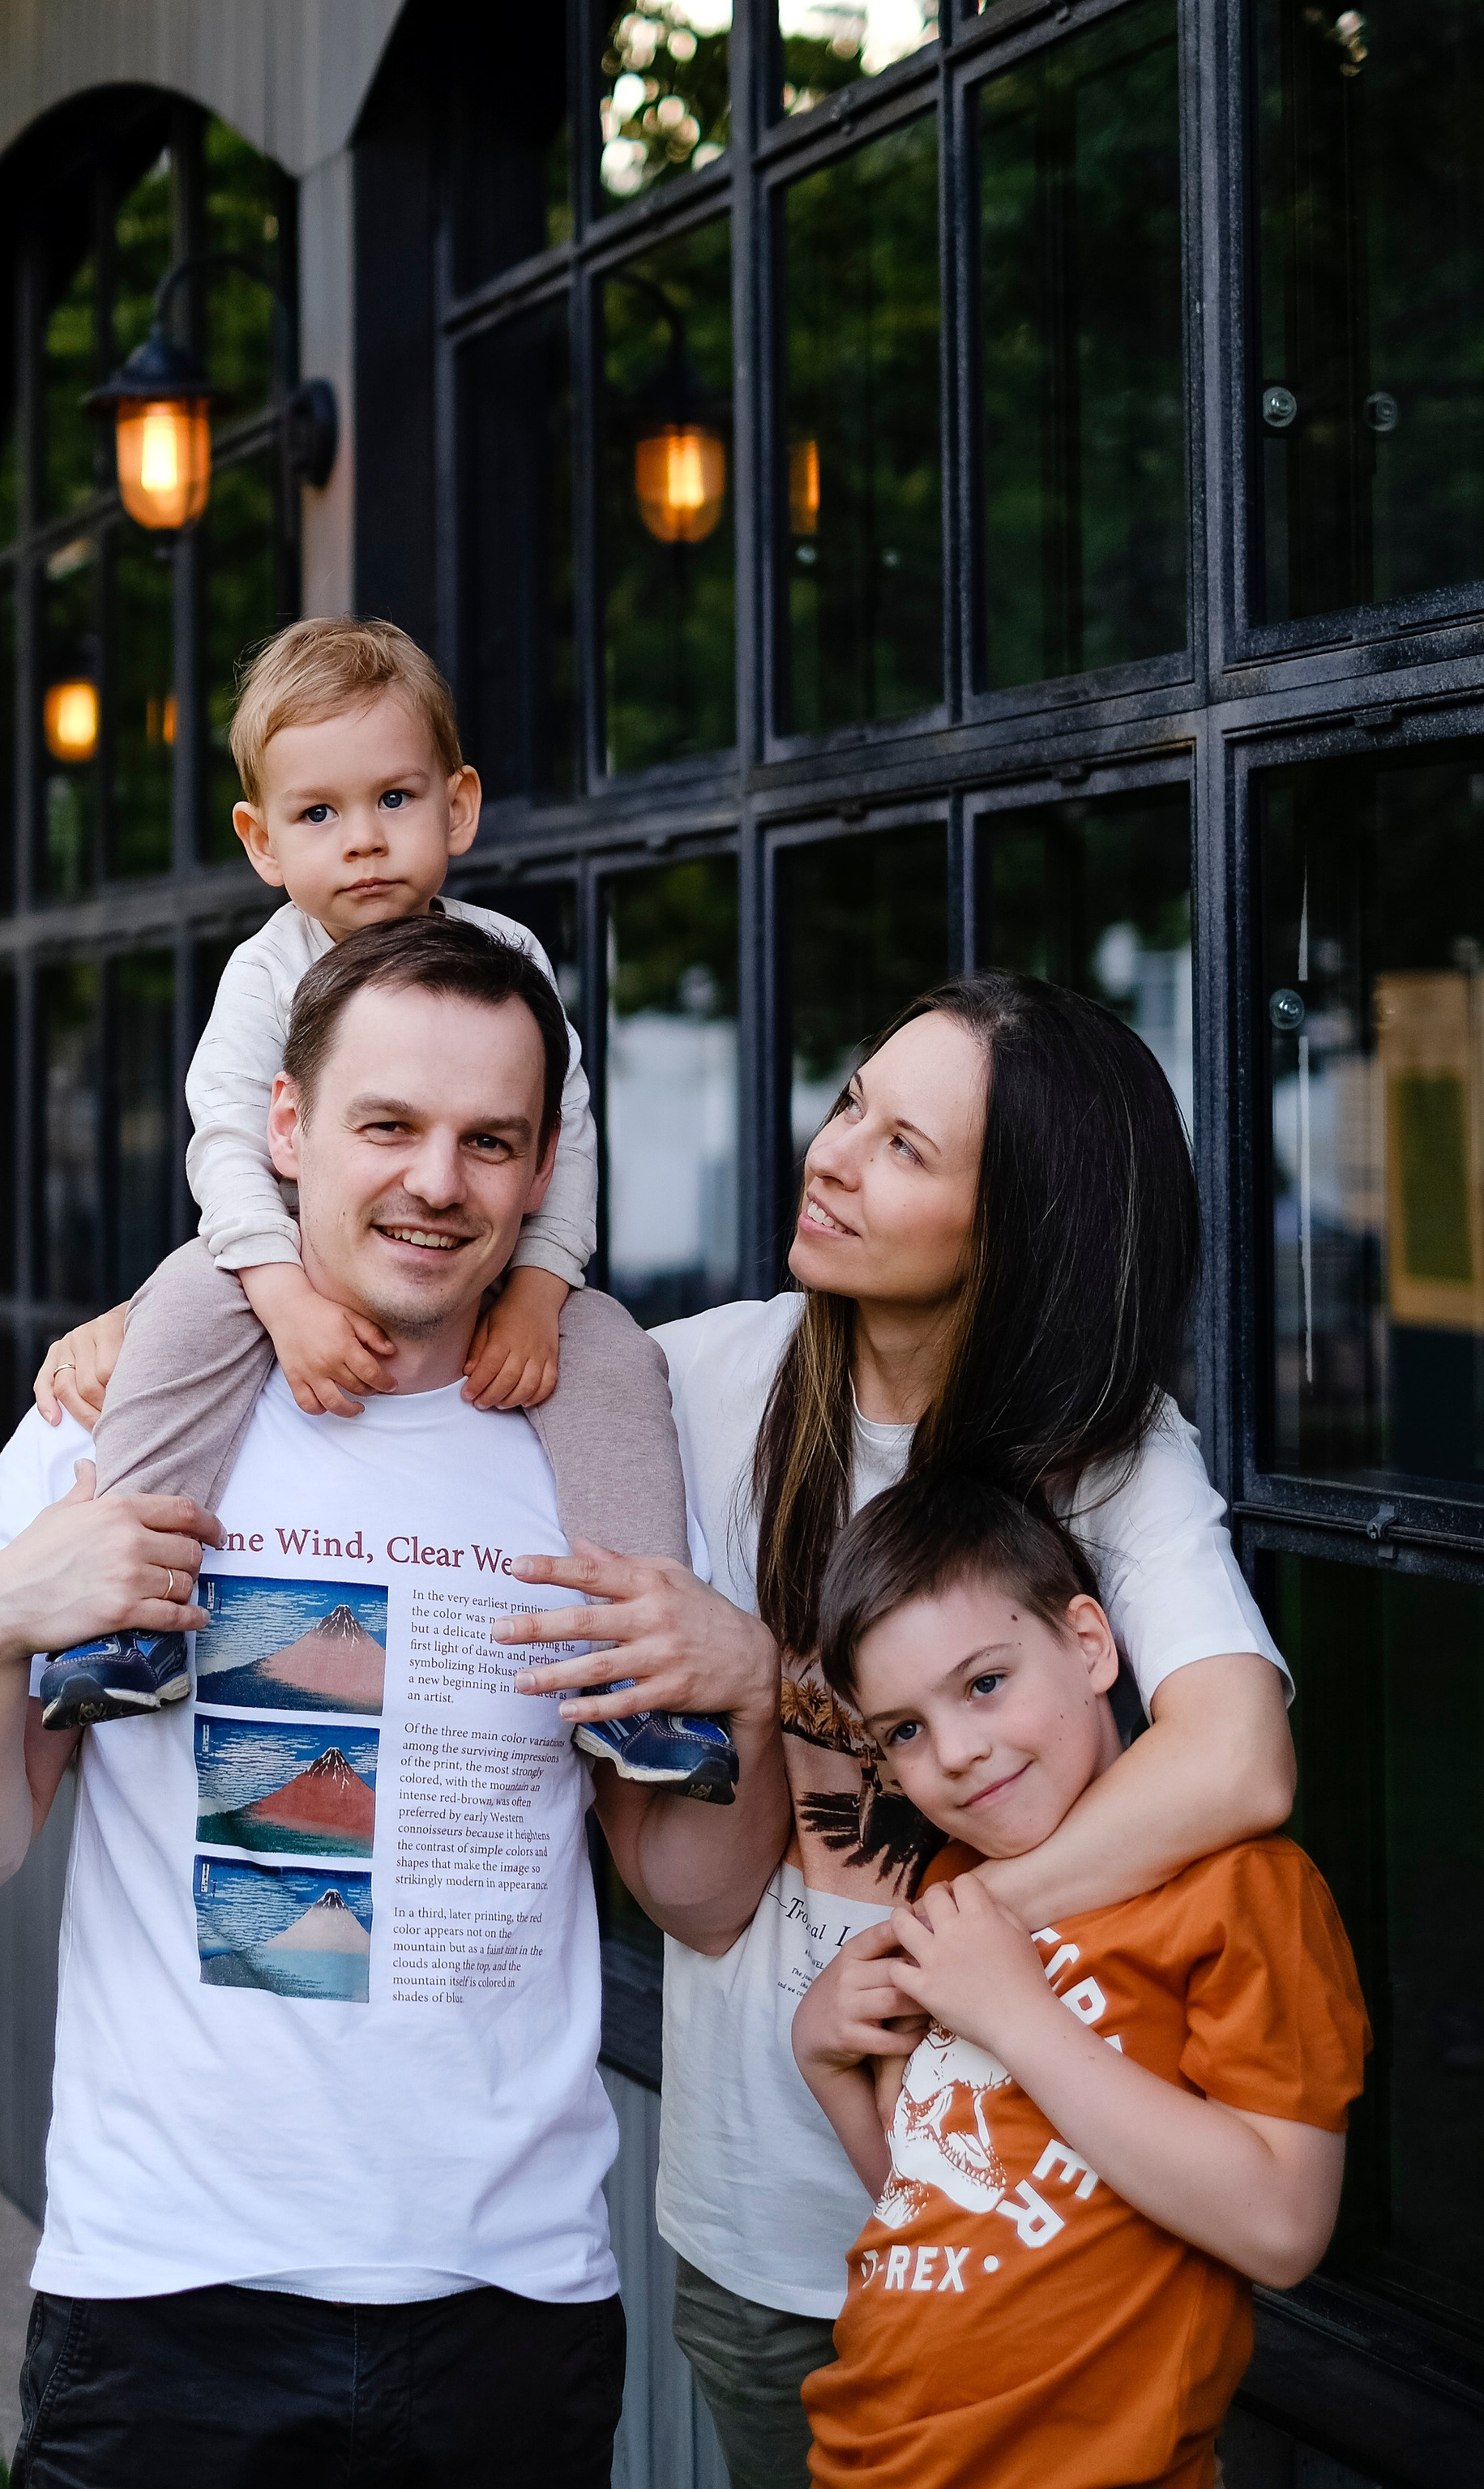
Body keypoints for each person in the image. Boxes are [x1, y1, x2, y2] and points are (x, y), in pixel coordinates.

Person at [0, 915, 783, 2489]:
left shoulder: (596, 1461)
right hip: (162, 2286)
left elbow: (695, 1896)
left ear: (543, 1160)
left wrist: (747, 1689)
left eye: (488, 1139)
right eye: (388, 1124)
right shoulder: (126, 1428)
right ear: (284, 1126)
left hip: (510, 2291)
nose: (437, 1178)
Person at [485, 973, 1303, 2489]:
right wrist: (214, 1284)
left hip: (1067, 2253)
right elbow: (700, 1898)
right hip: (767, 2227)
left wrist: (955, 1942)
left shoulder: (1104, 1446)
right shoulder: (694, 1384)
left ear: (1017, 1228)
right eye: (852, 1098)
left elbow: (1240, 1750)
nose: (834, 1150)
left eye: (906, 1145)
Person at [35, 615, 726, 1796]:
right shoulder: (266, 973)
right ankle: (125, 1615)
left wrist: (544, 1293)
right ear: (260, 840)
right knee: (187, 1299)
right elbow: (226, 1148)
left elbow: (571, 1131)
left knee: (611, 1350)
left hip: (481, 1271)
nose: (363, 842)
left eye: (395, 799)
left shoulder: (504, 956)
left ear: (456, 808)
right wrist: (282, 1297)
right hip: (273, 1258)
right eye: (319, 815)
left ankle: (636, 1672)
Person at [791, 1466, 1366, 2489]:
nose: (958, 1752)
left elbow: (1281, 2226)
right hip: (869, 2452)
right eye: (905, 1731)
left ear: (1091, 1645)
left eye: (984, 1682)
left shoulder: (1242, 1888)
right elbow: (938, 2203)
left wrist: (1019, 2017)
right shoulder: (955, 1882)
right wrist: (826, 2060)